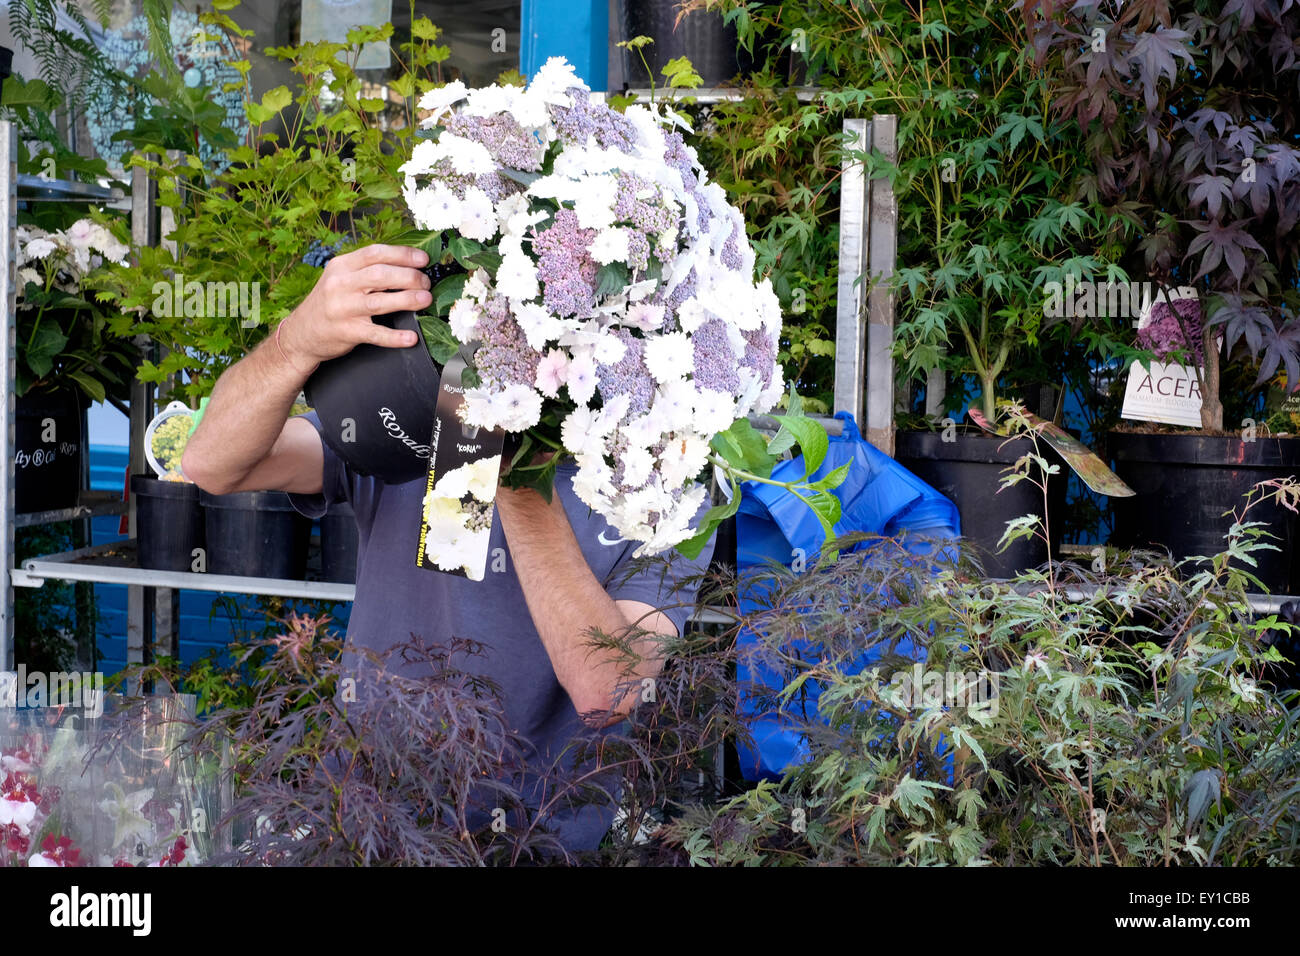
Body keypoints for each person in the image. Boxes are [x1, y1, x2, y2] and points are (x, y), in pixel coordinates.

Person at [182, 244, 715, 853]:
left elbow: (610, 690)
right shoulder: (413, 419)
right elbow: (211, 464)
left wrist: (511, 456)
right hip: (372, 824)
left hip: (536, 843)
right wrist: (295, 343)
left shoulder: (671, 479)